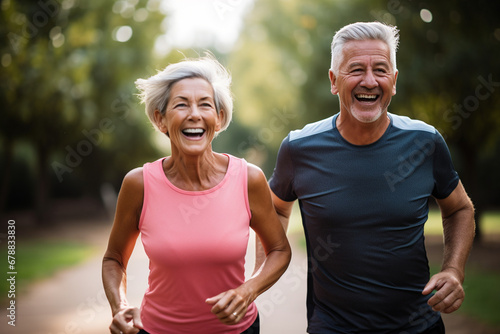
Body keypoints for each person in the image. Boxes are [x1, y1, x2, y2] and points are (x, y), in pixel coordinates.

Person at [263, 22, 475, 333]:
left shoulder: (425, 142)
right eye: (356, 70)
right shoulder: (299, 148)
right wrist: (267, 267)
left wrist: (454, 270)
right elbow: (275, 209)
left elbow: (459, 209)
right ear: (334, 81)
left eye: (380, 69)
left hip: (417, 325)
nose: (370, 81)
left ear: (394, 80)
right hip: (333, 326)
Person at [102, 54, 291, 334]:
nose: (194, 114)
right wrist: (119, 306)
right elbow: (114, 259)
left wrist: (247, 291)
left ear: (219, 118)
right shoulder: (139, 184)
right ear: (160, 118)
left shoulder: (248, 178)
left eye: (205, 104)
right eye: (181, 104)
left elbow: (279, 250)